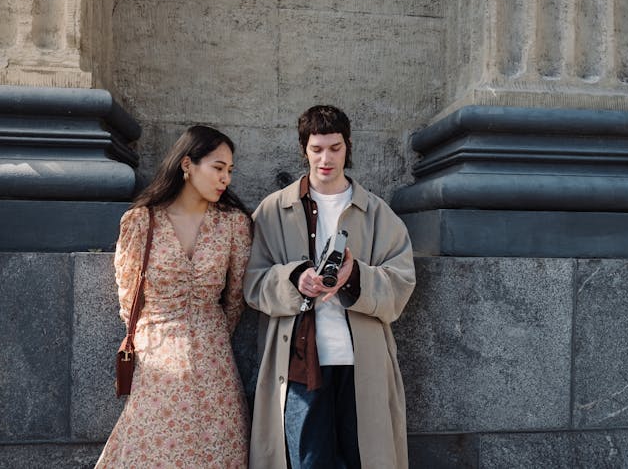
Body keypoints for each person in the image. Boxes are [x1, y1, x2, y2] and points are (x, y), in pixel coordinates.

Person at [243, 105, 416, 468]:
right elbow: (252, 281)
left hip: (363, 363)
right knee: (308, 462)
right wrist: (294, 278)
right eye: (316, 148)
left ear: (348, 146)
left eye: (335, 148)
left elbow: (401, 285)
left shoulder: (379, 213)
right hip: (300, 363)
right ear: (304, 149)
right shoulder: (273, 211)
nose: (326, 158)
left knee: (363, 460)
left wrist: (355, 277)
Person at [95, 125, 251, 468]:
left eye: (229, 170)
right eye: (218, 167)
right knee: (153, 450)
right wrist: (159, 336)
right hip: (157, 358)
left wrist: (210, 333)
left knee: (218, 449)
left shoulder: (233, 224)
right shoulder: (141, 221)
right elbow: (128, 297)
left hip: (214, 359)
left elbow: (236, 297)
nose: (225, 178)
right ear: (187, 164)